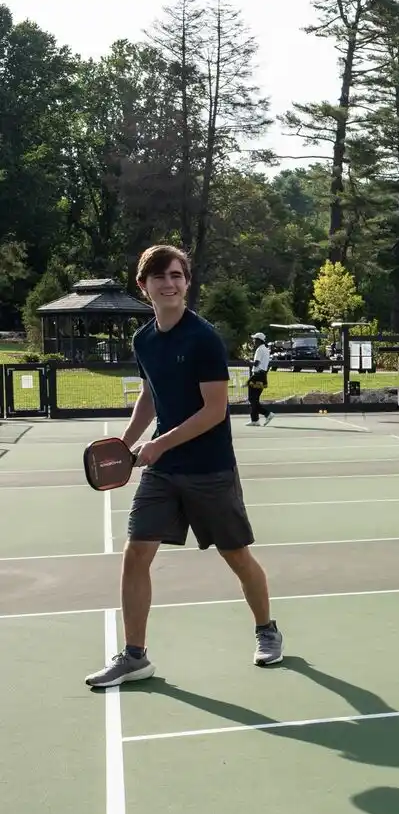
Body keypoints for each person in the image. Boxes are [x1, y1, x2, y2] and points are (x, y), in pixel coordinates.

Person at [85, 245, 285, 688]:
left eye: (177, 276)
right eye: (159, 277)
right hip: (163, 471)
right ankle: (135, 656)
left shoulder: (204, 339)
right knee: (136, 554)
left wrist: (159, 444)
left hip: (209, 468)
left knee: (237, 557)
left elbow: (215, 409)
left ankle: (267, 630)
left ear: (187, 282)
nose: (169, 283)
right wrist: (128, 442)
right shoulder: (144, 340)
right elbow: (150, 395)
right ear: (144, 286)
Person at [247, 331, 274, 426]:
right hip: (262, 376)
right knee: (255, 399)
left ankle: (267, 414)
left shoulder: (259, 350)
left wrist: (248, 362)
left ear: (259, 340)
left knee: (251, 399)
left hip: (257, 376)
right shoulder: (266, 349)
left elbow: (256, 363)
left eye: (255, 339)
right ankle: (255, 420)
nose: (253, 341)